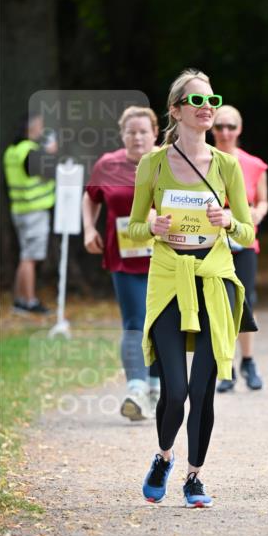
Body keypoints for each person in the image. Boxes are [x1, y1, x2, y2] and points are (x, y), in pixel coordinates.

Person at [128, 69, 255, 508]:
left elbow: (246, 227)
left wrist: (227, 222)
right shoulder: (154, 163)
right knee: (175, 391)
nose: (208, 110)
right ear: (176, 110)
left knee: (202, 390)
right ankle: (163, 457)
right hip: (167, 278)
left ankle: (195, 477)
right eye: (197, 102)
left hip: (213, 277)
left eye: (212, 101)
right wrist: (152, 227)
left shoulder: (227, 165)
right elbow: (130, 229)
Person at [83, 106, 161, 422]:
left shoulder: (170, 161)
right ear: (122, 134)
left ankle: (156, 387)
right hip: (124, 256)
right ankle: (136, 388)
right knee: (134, 321)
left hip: (165, 256)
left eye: (143, 131)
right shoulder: (108, 164)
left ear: (155, 133)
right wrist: (89, 228)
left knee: (162, 323)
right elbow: (91, 197)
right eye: (131, 132)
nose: (137, 137)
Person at [211, 105, 268, 392]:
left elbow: (262, 200)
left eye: (230, 126)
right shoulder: (201, 161)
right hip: (211, 240)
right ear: (211, 129)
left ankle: (248, 360)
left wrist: (258, 213)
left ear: (239, 129)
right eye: (219, 126)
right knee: (218, 304)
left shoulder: (254, 164)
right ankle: (226, 367)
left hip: (244, 241)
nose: (224, 132)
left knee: (244, 301)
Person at [3, 113, 57, 314]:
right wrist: (50, 153)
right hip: (34, 211)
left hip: (20, 210)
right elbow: (49, 172)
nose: (42, 129)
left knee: (25, 255)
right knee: (30, 258)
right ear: (31, 127)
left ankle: (19, 300)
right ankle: (30, 301)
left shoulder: (12, 150)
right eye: (40, 125)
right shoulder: (32, 151)